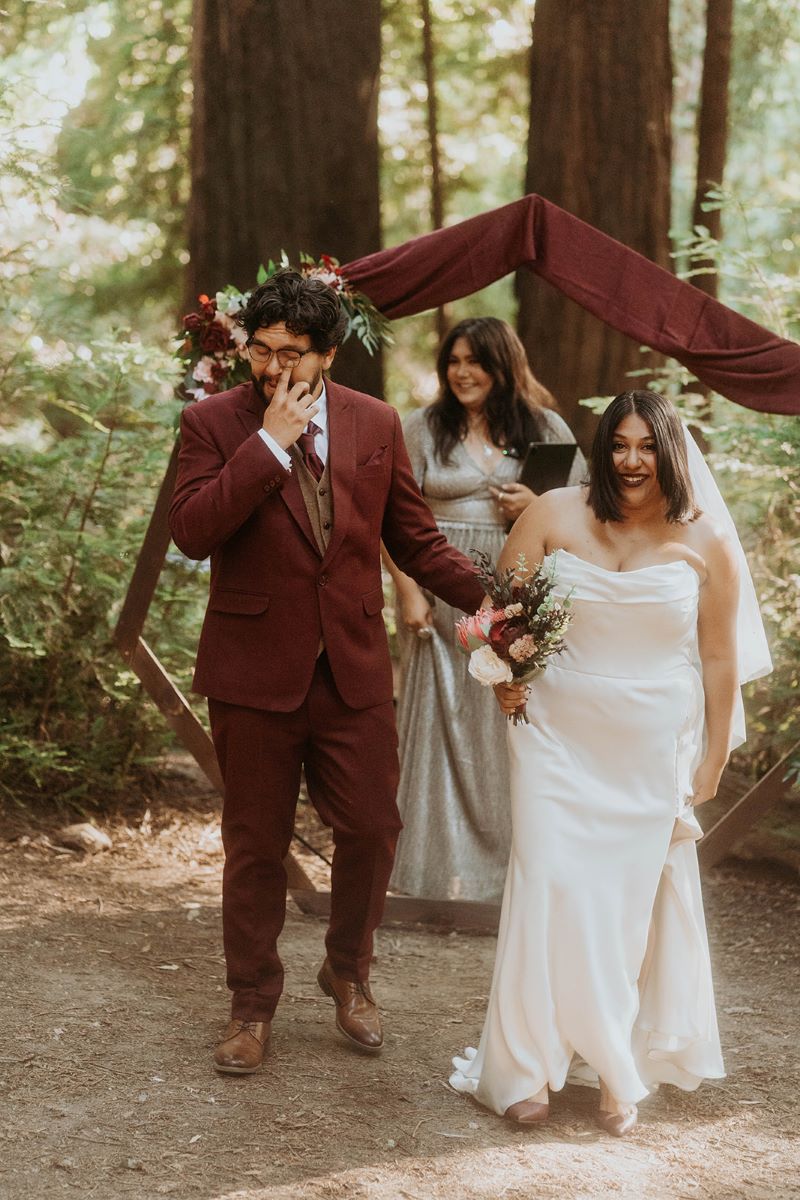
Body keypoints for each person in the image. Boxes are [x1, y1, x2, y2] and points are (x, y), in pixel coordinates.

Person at [169, 270, 485, 1075]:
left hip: (352, 669)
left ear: (330, 354)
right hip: (252, 673)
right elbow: (194, 531)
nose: (274, 369)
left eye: (293, 354)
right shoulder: (212, 422)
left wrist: (499, 603)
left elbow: (415, 542)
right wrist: (268, 442)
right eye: (262, 351)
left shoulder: (375, 422)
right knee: (255, 846)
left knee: (375, 829)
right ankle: (251, 1006)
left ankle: (348, 972)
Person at [449, 390, 771, 1135]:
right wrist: (501, 672)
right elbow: (491, 616)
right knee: (548, 884)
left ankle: (612, 1067)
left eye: (646, 446)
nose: (631, 461)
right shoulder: (555, 513)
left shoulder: (705, 542)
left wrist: (715, 755)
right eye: (619, 445)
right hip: (553, 731)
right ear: (602, 448)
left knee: (624, 910)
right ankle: (524, 1066)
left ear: (671, 452)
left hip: (650, 746)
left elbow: (719, 658)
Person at [385, 317, 584, 902]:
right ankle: (428, 874)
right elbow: (392, 515)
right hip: (437, 590)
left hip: (516, 594)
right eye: (454, 361)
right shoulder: (420, 427)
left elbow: (581, 516)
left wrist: (534, 505)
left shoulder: (544, 426)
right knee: (438, 725)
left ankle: (507, 879)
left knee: (509, 726)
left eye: (476, 361)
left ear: (504, 365)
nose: (463, 372)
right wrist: (407, 591)